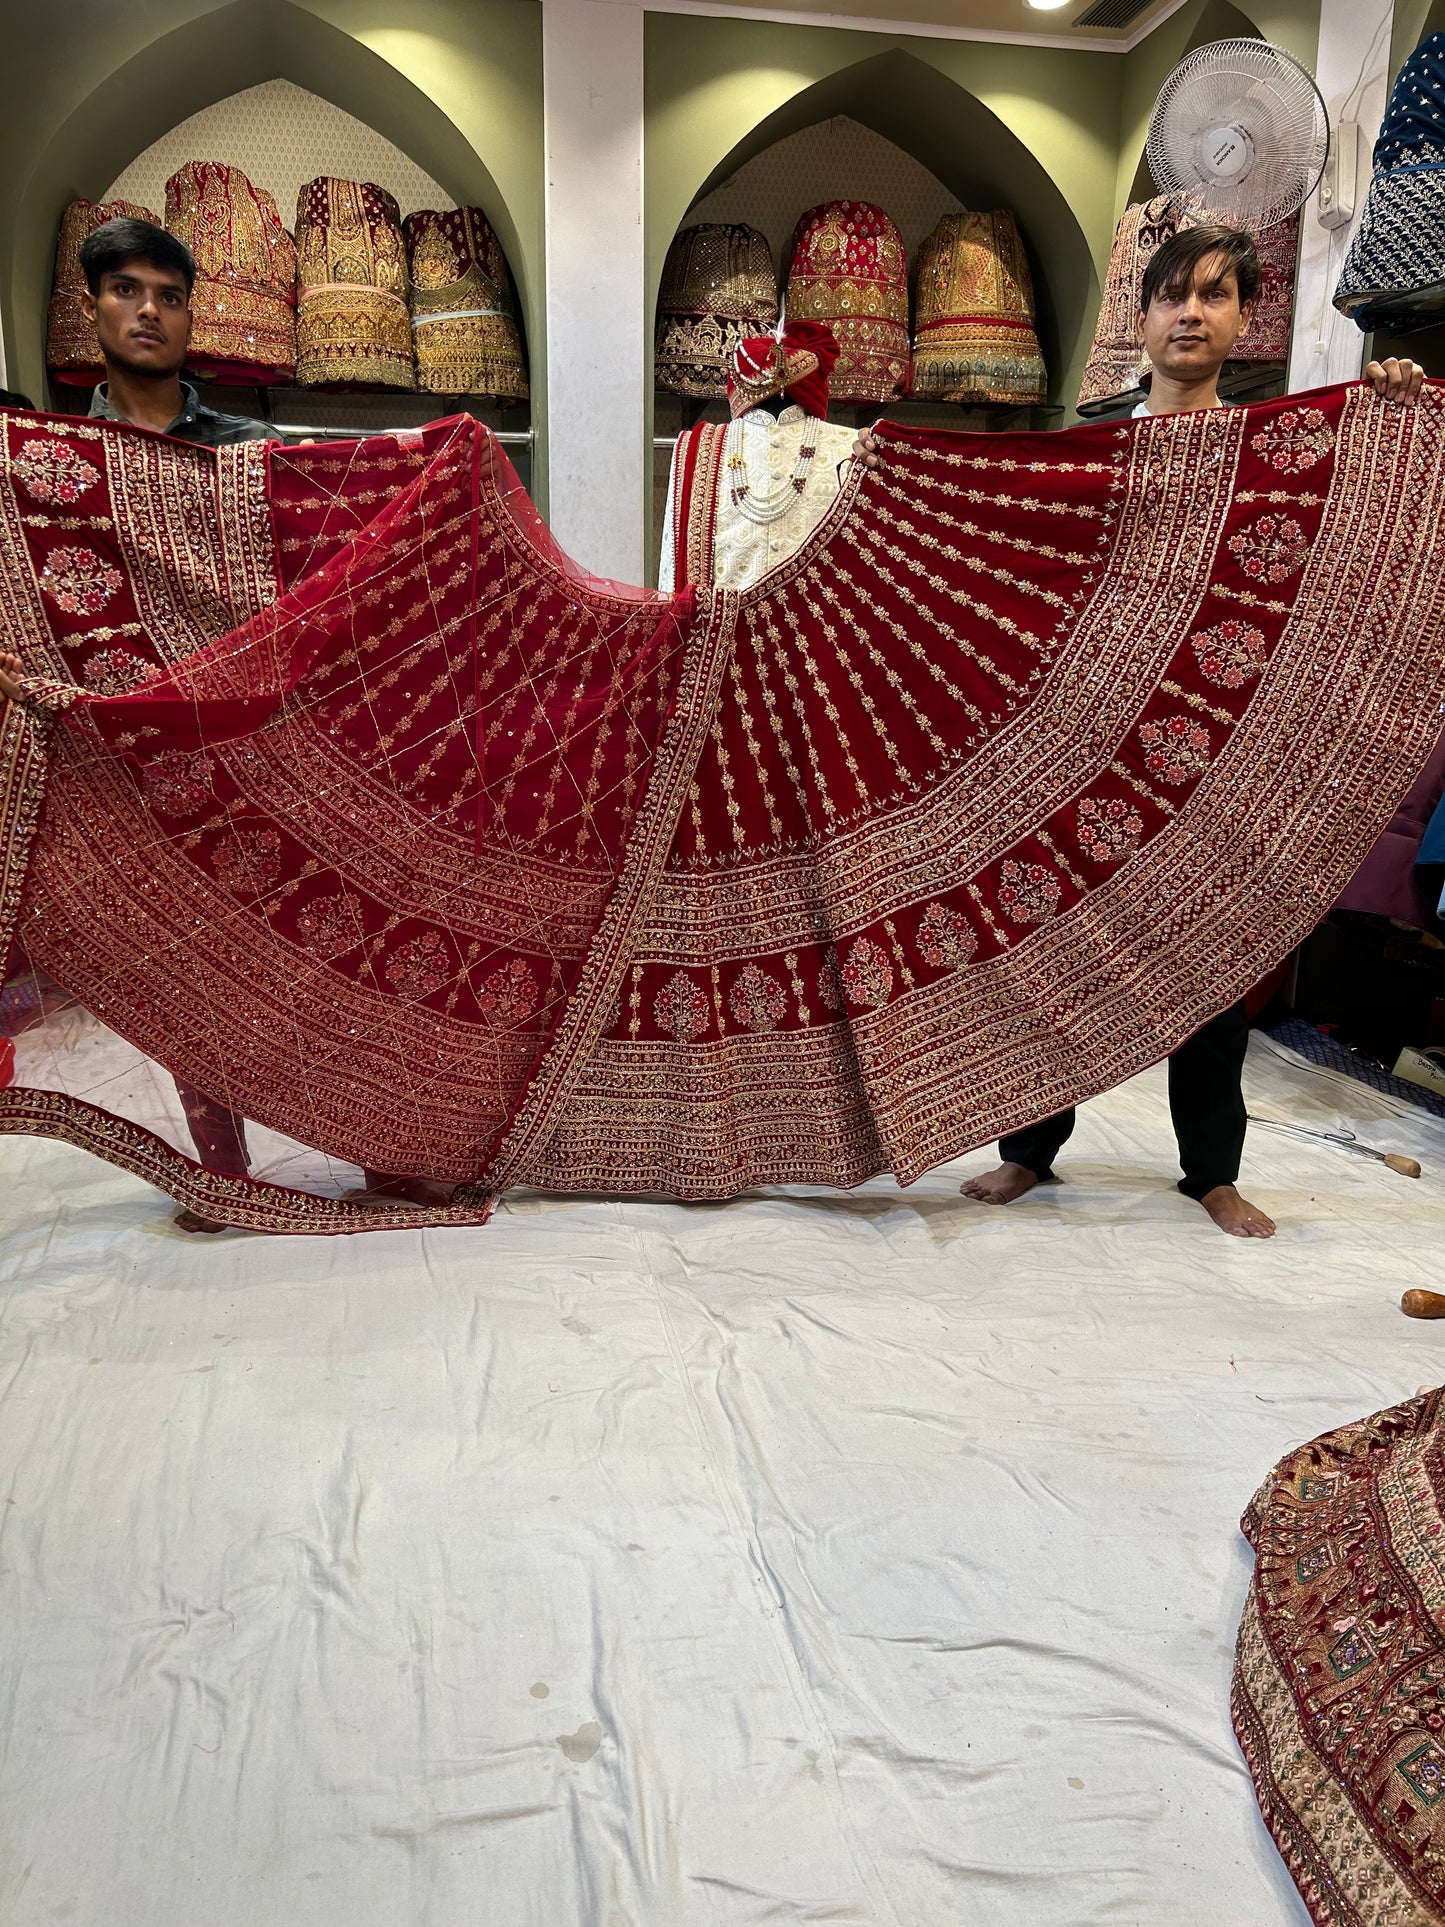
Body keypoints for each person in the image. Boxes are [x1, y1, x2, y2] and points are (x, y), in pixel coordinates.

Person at [855, 222, 1423, 1239]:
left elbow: (1339, 545)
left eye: (1214, 296)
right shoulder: (1095, 454)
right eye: (1174, 297)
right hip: (1074, 745)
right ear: (1143, 316)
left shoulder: (1276, 452)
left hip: (1209, 750)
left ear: (1243, 320)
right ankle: (1029, 1152)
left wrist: (1390, 409)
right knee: (1045, 951)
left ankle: (1209, 1171)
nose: (1192, 313)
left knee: (1202, 961)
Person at [77, 216, 271, 446]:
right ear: (91, 308)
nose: (149, 310)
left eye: (169, 298)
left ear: (189, 323)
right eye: (126, 289)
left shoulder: (257, 446)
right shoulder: (60, 455)